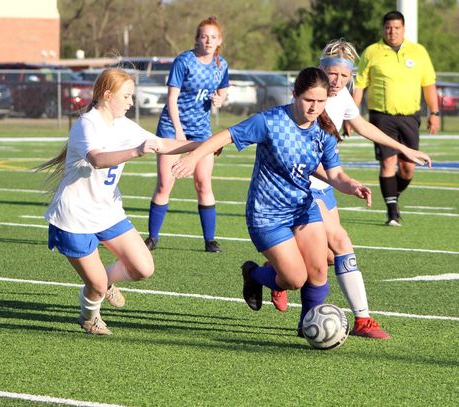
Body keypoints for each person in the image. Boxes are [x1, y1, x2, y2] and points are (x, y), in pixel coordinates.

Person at [172, 67, 372, 338]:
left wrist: (354, 186)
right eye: (308, 100)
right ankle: (254, 275)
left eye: (321, 102)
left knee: (317, 270)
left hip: (303, 208)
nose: (314, 107)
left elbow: (335, 174)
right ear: (294, 95)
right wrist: (194, 157)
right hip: (266, 214)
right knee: (293, 279)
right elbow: (226, 135)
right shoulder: (271, 122)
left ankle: (306, 326)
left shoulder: (324, 131)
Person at [268, 39, 433, 340]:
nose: (338, 81)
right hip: (301, 186)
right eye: (333, 74)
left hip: (326, 183)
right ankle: (363, 319)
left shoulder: (342, 95)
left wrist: (404, 149)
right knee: (342, 242)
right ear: (321, 68)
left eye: (345, 76)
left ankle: (271, 276)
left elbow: (362, 126)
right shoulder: (307, 96)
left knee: (328, 257)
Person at [36, 68, 198, 335]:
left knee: (143, 268)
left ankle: (102, 283)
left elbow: (160, 144)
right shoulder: (88, 123)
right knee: (96, 286)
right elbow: (97, 160)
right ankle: (89, 317)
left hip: (108, 211)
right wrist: (136, 151)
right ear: (107, 94)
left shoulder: (122, 124)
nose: (131, 102)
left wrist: (202, 145)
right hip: (74, 217)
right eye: (127, 96)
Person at [144, 16, 229, 253]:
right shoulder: (184, 61)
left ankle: (209, 240)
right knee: (165, 183)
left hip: (201, 131)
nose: (208, 41)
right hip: (173, 127)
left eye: (213, 37)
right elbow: (172, 99)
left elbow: (223, 91)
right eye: (204, 36)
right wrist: (178, 132)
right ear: (197, 39)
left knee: (203, 183)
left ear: (219, 40)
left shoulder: (221, 64)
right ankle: (152, 237)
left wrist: (220, 99)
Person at [353, 10, 440, 226]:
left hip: (410, 116)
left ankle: (393, 195)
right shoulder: (372, 52)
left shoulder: (418, 52)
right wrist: (350, 115)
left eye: (397, 28)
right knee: (388, 162)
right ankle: (392, 212)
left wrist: (435, 113)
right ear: (383, 29)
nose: (392, 32)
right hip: (382, 117)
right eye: (388, 28)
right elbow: (360, 86)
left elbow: (428, 84)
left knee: (408, 168)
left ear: (403, 29)